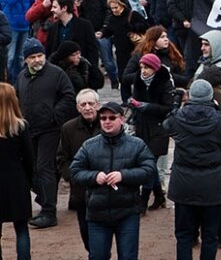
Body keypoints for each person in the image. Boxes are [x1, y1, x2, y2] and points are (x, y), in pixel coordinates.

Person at [69, 101, 157, 260]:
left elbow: (149, 170)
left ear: (122, 119)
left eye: (112, 117)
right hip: (97, 213)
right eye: (103, 118)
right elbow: (75, 172)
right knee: (98, 256)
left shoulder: (137, 145)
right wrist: (94, 176)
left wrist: (123, 175)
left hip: (127, 212)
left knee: (128, 257)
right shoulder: (89, 146)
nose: (107, 121)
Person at [163, 79, 221, 260]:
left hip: (183, 185)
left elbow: (166, 127)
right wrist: (218, 110)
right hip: (211, 185)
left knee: (184, 236)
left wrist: (176, 106)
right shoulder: (219, 121)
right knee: (210, 235)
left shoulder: (179, 117)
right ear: (211, 97)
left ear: (191, 96)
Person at [15, 37, 75, 229]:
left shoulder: (56, 74)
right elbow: (16, 99)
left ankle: (49, 212)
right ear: (25, 59)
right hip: (28, 130)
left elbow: (68, 96)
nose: (37, 60)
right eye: (32, 57)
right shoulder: (22, 77)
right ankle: (45, 197)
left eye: (40, 55)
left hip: (50, 129)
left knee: (44, 168)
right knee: (30, 169)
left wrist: (54, 116)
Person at [125, 53, 174, 213]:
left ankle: (143, 200)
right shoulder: (138, 80)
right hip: (142, 127)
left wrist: (148, 106)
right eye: (142, 67)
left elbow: (168, 108)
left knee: (149, 164)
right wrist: (133, 103)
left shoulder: (165, 83)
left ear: (155, 68)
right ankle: (159, 195)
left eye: (147, 68)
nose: (143, 71)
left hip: (158, 129)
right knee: (148, 164)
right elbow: (135, 99)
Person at [56, 88, 102, 251]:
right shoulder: (68, 128)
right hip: (81, 191)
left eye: (91, 103)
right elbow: (62, 158)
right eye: (83, 104)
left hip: (106, 191)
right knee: (86, 231)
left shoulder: (108, 124)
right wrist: (73, 177)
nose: (87, 107)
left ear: (98, 105)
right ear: (78, 107)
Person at [0, 82, 33, 260]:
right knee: (21, 228)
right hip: (16, 181)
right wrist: (29, 180)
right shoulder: (20, 126)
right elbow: (29, 158)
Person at [192, 30, 221, 99]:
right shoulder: (202, 65)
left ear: (216, 45)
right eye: (202, 44)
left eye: (206, 44)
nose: (202, 48)